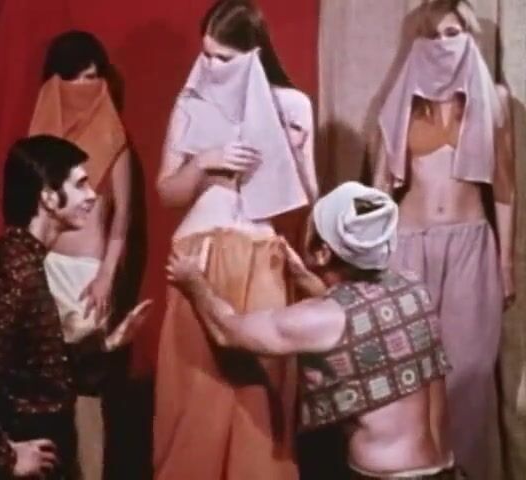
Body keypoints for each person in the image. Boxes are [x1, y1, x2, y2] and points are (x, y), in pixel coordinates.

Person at [168, 181, 458, 479]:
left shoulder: (319, 320)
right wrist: (309, 279)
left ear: (323, 252)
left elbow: (227, 331)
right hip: (444, 470)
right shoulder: (412, 287)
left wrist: (194, 283)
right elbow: (361, 318)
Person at [153, 1, 318, 479]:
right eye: (206, 55)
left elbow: (308, 196)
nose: (211, 67)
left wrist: (290, 152)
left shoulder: (292, 104)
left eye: (224, 58)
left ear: (254, 53)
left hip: (259, 254)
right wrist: (203, 161)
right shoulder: (192, 102)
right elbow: (167, 192)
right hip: (199, 253)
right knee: (195, 398)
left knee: (258, 400)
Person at [0, 135, 150, 479]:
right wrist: (6, 457)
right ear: (48, 198)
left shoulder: (27, 262)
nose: (92, 195)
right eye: (80, 185)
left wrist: (106, 344)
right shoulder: (13, 268)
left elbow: (35, 368)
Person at [372, 1, 516, 477]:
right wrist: (369, 255)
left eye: (452, 34)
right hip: (409, 246)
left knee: (469, 371)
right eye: (432, 36)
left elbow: (505, 187)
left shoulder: (492, 98)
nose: (442, 45)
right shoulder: (403, 98)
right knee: (407, 369)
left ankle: (461, 469)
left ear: (470, 37)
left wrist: (505, 265)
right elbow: (380, 185)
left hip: (470, 245)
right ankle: (414, 468)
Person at [29, 31, 140, 479]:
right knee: (40, 385)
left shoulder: (115, 138)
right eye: (76, 79)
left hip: (88, 277)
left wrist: (107, 276)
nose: (86, 89)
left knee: (86, 389)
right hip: (43, 271)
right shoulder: (38, 139)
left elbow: (123, 216)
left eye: (94, 77)